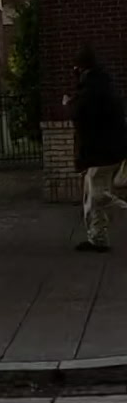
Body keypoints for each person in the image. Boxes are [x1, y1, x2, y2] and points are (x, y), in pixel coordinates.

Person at [76, 48, 124, 254]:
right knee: (93, 198)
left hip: (99, 152)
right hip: (111, 149)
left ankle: (100, 235)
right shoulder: (106, 85)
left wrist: (69, 105)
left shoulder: (90, 91)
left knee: (97, 196)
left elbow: (83, 120)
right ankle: (98, 238)